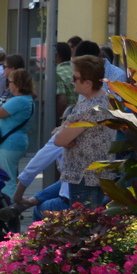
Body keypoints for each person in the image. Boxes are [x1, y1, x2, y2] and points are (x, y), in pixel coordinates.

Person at [50, 55, 113, 209]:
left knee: (85, 225)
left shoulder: (88, 109)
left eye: (75, 77)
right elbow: (61, 135)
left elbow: (59, 140)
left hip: (84, 177)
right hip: (98, 175)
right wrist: (65, 132)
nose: (72, 81)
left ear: (87, 83)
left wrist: (65, 132)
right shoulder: (106, 99)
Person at [0, 69, 36, 197]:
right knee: (12, 176)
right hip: (16, 142)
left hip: (9, 144)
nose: (7, 84)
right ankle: (15, 203)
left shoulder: (19, 101)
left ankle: (10, 209)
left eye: (9, 82)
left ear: (17, 84)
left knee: (7, 180)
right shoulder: (26, 99)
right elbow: (4, 110)